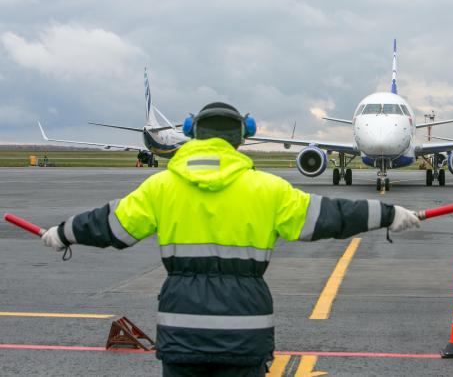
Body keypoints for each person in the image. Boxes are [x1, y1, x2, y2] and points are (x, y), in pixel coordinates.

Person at [40, 102, 420, 376]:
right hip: (245, 332)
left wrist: (62, 232)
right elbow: (331, 217)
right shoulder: (267, 189)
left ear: (192, 134)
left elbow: (109, 226)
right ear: (243, 137)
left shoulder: (161, 187)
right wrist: (388, 214)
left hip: (181, 330)